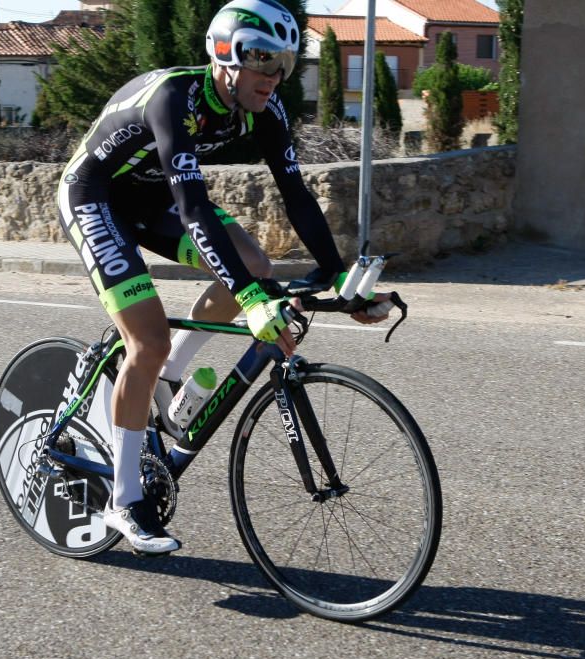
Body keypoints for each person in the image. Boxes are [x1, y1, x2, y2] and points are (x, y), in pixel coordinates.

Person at [57, 0, 388, 555]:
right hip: (95, 197)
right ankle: (123, 499)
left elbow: (297, 197)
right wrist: (255, 302)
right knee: (148, 339)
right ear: (225, 57)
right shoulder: (174, 97)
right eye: (262, 61)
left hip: (149, 197)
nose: (274, 76)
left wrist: (336, 274)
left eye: (283, 63)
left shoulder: (267, 109)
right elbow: (194, 211)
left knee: (254, 264)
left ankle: (169, 376)